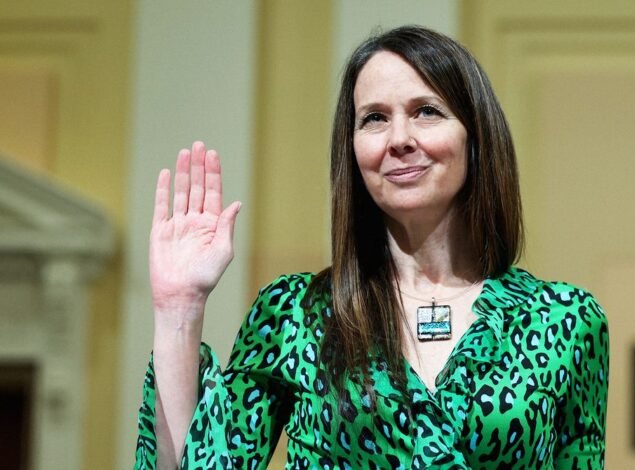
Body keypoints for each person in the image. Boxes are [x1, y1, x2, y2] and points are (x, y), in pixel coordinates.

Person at [135, 26, 609, 470]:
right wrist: (179, 308)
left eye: (427, 110)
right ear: (353, 149)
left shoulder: (564, 319)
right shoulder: (294, 314)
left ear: (475, 136)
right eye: (375, 119)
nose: (399, 139)